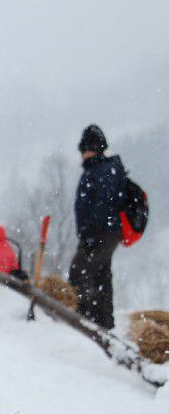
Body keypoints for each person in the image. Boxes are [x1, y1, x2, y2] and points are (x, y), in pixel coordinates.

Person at [68, 125, 126, 329]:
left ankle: (85, 320)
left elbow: (103, 204)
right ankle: (104, 323)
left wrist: (91, 233)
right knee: (101, 273)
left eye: (84, 149)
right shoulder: (102, 168)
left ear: (91, 148)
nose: (82, 155)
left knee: (80, 271)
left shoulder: (102, 170)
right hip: (104, 232)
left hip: (102, 233)